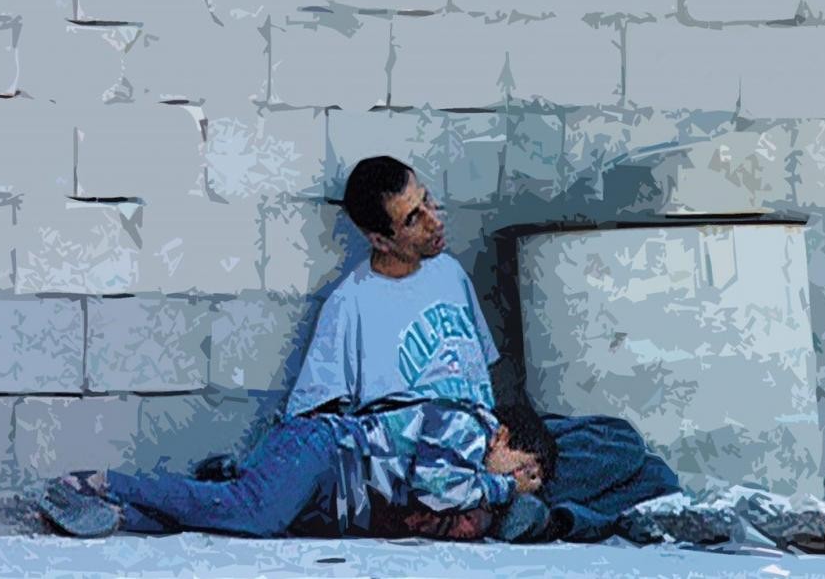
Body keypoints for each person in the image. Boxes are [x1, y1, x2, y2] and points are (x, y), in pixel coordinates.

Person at [36, 399, 554, 539]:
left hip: (328, 490)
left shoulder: (475, 471)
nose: (518, 483)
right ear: (504, 437)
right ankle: (96, 482)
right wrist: (501, 488)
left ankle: (118, 515)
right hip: (322, 452)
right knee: (255, 514)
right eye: (524, 469)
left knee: (240, 521)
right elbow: (435, 487)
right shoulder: (469, 426)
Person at [285, 155, 502, 417]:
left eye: (426, 200)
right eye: (412, 219)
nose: (435, 222)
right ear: (380, 241)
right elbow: (311, 416)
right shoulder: (349, 305)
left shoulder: (451, 273)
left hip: (483, 432)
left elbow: (484, 372)